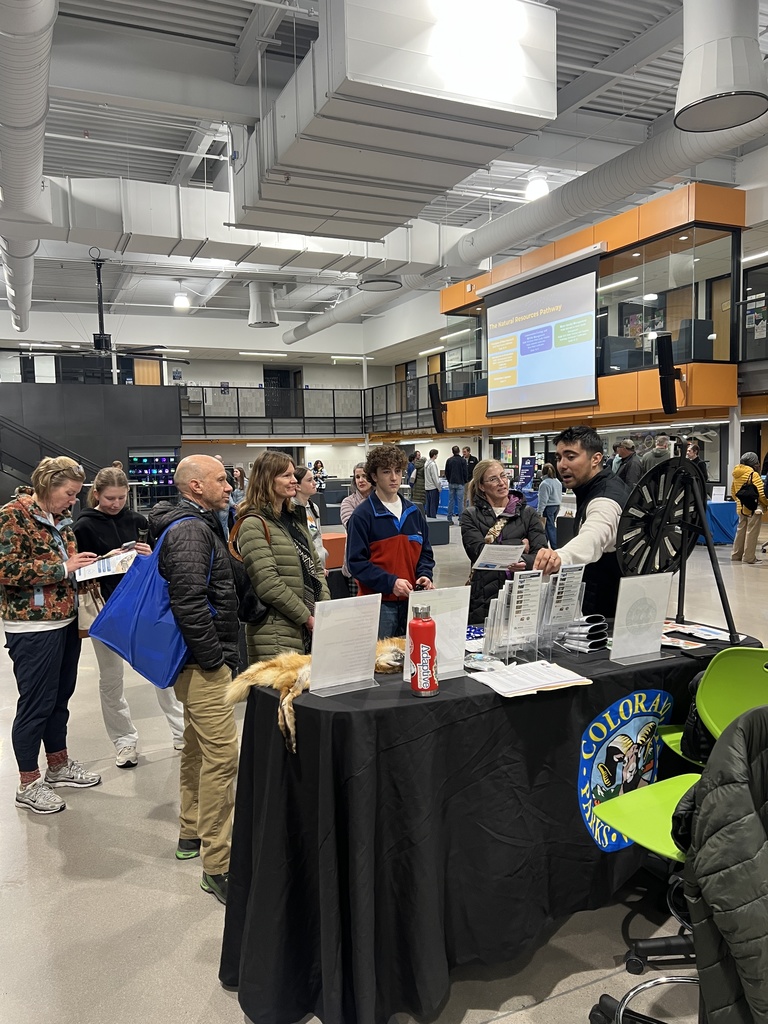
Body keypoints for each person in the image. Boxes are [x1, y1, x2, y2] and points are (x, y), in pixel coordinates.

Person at [148, 455, 240, 906]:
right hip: (200, 665)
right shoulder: (190, 530)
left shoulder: (199, 523)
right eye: (222, 479)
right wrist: (213, 661)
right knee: (223, 758)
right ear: (196, 486)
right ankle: (218, 864)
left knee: (198, 747)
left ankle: (190, 832)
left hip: (194, 663)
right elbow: (188, 602)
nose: (229, 485)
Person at [0, 457, 101, 814]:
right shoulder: (13, 515)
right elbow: (6, 568)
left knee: (59, 699)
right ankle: (29, 783)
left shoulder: (63, 522)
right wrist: (61, 567)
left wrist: (100, 563)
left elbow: (69, 566)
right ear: (48, 485)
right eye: (69, 493)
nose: (74, 500)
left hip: (65, 621)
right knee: (35, 704)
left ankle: (58, 766)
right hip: (32, 626)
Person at [73, 461, 185, 767]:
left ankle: (181, 733)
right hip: (105, 609)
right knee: (111, 680)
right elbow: (76, 572)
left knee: (163, 670)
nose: (116, 503)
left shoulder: (138, 520)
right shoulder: (82, 526)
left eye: (121, 497)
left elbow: (154, 564)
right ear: (96, 494)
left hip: (142, 603)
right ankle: (124, 742)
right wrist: (107, 559)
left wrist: (146, 554)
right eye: (110, 498)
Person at [235, 451, 330, 663]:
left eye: (293, 475)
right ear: (268, 479)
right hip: (276, 632)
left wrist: (324, 607)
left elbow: (315, 567)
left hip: (310, 625)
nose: (294, 480)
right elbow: (268, 583)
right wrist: (306, 618)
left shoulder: (295, 519)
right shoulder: (253, 524)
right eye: (286, 475)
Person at [533, 426, 631, 617]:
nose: (562, 465)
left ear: (595, 459)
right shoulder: (597, 486)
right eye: (559, 457)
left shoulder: (605, 498)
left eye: (571, 457)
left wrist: (561, 556)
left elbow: (594, 535)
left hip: (609, 617)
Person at [346, 445, 435, 639]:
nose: (394, 477)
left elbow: (425, 553)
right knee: (380, 662)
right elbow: (356, 563)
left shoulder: (414, 513)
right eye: (386, 472)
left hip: (412, 602)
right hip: (378, 606)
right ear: (374, 476)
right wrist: (390, 583)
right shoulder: (362, 516)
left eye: (398, 471)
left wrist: (425, 575)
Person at [460, 460, 547, 623]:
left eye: (503, 476)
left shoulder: (528, 514)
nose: (501, 482)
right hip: (484, 599)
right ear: (481, 486)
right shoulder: (470, 516)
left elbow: (541, 553)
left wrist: (524, 561)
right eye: (493, 479)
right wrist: (519, 546)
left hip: (522, 596)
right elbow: (480, 554)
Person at [340, 462, 373, 596]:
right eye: (357, 477)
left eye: (364, 476)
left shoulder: (383, 501)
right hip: (355, 567)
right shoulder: (348, 502)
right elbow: (352, 527)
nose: (361, 480)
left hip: (379, 566)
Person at [730, 452, 767, 566]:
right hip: (753, 508)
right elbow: (761, 493)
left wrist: (740, 502)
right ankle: (749, 557)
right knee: (752, 533)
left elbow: (733, 492)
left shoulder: (736, 473)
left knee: (740, 531)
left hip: (741, 508)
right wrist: (765, 504)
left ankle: (736, 555)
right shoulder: (753, 474)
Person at [293, 465, 328, 572]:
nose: (314, 483)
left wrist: (321, 565)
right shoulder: (290, 509)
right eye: (309, 480)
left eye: (313, 479)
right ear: (298, 486)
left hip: (319, 565)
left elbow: (317, 536)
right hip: (303, 568)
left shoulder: (314, 508)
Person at [536, 462, 563, 548]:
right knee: (548, 527)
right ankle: (544, 545)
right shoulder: (558, 482)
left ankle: (555, 547)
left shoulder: (544, 484)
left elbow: (543, 500)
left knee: (550, 528)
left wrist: (539, 512)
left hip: (548, 507)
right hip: (556, 506)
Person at [444, 445, 468, 525]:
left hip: (451, 482)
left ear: (452, 451)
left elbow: (446, 472)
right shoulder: (462, 461)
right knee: (460, 502)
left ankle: (449, 519)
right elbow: (465, 472)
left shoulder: (449, 460)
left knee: (451, 501)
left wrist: (449, 480)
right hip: (460, 483)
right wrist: (465, 480)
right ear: (459, 451)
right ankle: (461, 520)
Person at [424, 448, 441, 518]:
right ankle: (433, 518)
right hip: (433, 487)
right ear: (434, 455)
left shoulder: (426, 463)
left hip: (427, 487)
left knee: (429, 504)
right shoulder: (433, 465)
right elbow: (435, 477)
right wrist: (439, 487)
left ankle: (429, 518)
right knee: (434, 504)